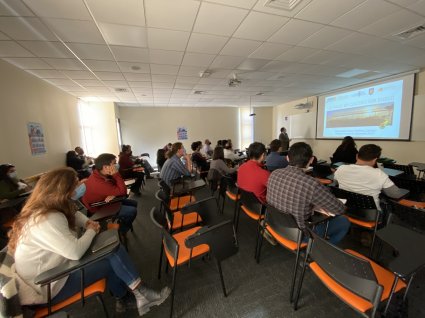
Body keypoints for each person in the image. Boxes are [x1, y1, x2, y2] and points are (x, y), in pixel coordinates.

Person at [8, 167, 170, 316]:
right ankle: (139, 294)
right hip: (47, 287)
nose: (81, 185)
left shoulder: (48, 208)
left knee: (111, 252)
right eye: (76, 183)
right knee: (111, 255)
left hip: (51, 274)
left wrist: (87, 223)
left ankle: (127, 297)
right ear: (63, 190)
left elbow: (74, 215)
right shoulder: (47, 219)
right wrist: (92, 230)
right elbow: (75, 252)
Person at [267, 142, 350, 245]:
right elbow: (340, 210)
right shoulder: (311, 184)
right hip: (300, 235)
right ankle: (317, 251)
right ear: (311, 160)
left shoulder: (274, 173)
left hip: (275, 224)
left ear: (287, 158)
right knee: (343, 221)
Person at [333, 144, 405, 210]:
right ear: (375, 160)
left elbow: (336, 182)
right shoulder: (379, 174)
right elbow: (395, 195)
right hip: (371, 215)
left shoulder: (341, 168)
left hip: (346, 209)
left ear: (357, 156)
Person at [82, 153, 137, 235]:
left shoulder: (99, 173)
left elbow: (115, 187)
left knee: (134, 203)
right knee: (132, 211)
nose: (116, 165)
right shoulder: (98, 182)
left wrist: (114, 193)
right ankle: (121, 229)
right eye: (114, 163)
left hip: (105, 201)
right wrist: (116, 175)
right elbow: (123, 192)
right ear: (105, 167)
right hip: (98, 208)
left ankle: (123, 222)